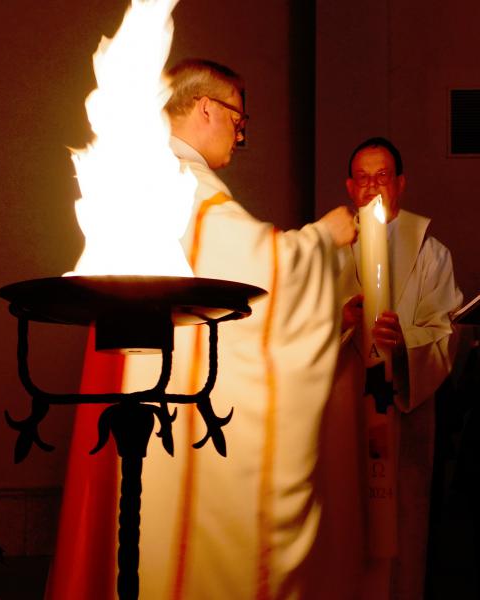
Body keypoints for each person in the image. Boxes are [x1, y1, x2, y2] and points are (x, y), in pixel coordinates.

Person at [45, 59, 356, 600]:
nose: (242, 132)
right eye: (239, 118)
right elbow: (259, 269)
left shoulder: (152, 169)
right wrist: (324, 238)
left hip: (143, 377)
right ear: (206, 107)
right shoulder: (178, 179)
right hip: (165, 396)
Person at [318, 137, 463, 600]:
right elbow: (297, 322)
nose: (373, 186)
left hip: (405, 412)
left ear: (401, 183)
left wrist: (402, 349)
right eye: (363, 177)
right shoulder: (328, 249)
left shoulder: (431, 252)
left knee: (402, 525)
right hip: (341, 413)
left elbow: (444, 333)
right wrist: (337, 323)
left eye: (382, 176)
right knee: (344, 525)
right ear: (349, 186)